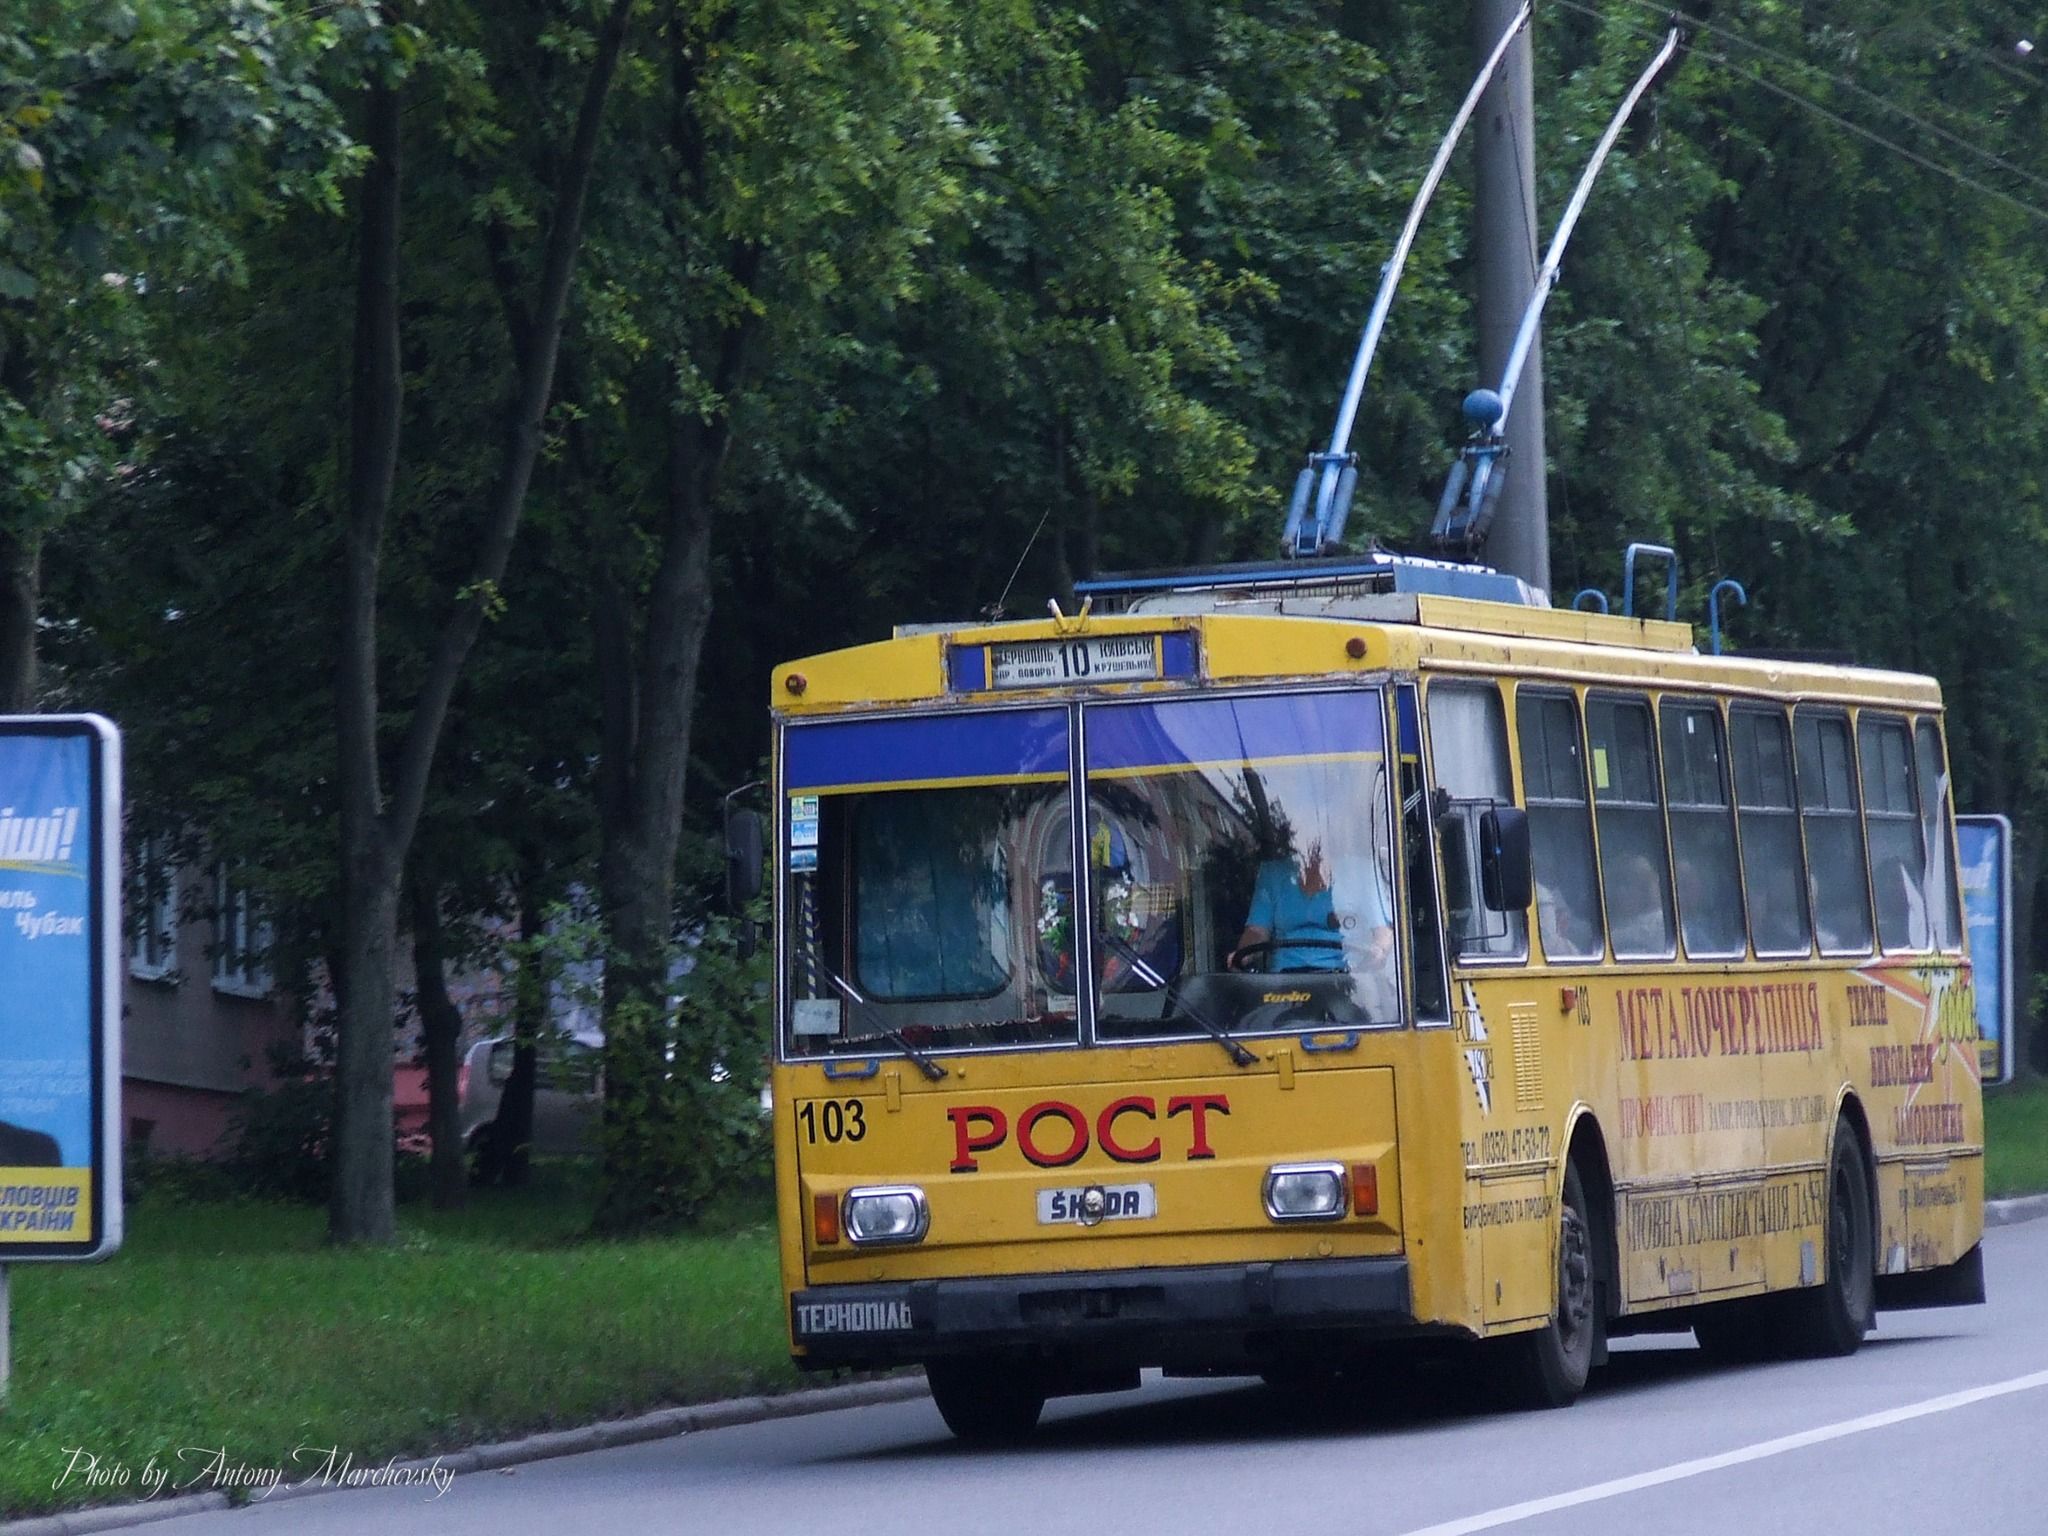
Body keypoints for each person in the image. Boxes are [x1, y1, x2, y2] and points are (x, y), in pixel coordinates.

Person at [1233, 839, 1350, 972]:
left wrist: (1376, 951)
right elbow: (1257, 931)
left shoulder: (1357, 873)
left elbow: (1378, 938)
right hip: (1284, 980)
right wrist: (1242, 954)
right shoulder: (1273, 874)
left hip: (1343, 975)